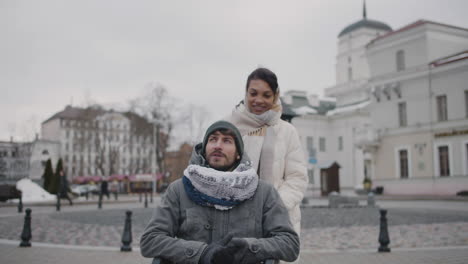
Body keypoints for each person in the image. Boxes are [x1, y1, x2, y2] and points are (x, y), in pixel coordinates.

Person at [140, 121, 299, 264]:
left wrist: (246, 249)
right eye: (213, 139)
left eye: (227, 141)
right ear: (204, 148)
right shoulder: (179, 189)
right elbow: (150, 240)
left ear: (238, 153)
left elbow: (289, 244)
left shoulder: (263, 192)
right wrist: (202, 253)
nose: (218, 145)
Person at [226, 67, 308, 238]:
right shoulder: (230, 127)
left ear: (275, 96)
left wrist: (274, 205)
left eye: (266, 95)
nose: (258, 100)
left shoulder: (287, 131)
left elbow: (297, 177)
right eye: (253, 93)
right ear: (246, 93)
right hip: (234, 218)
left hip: (277, 219)